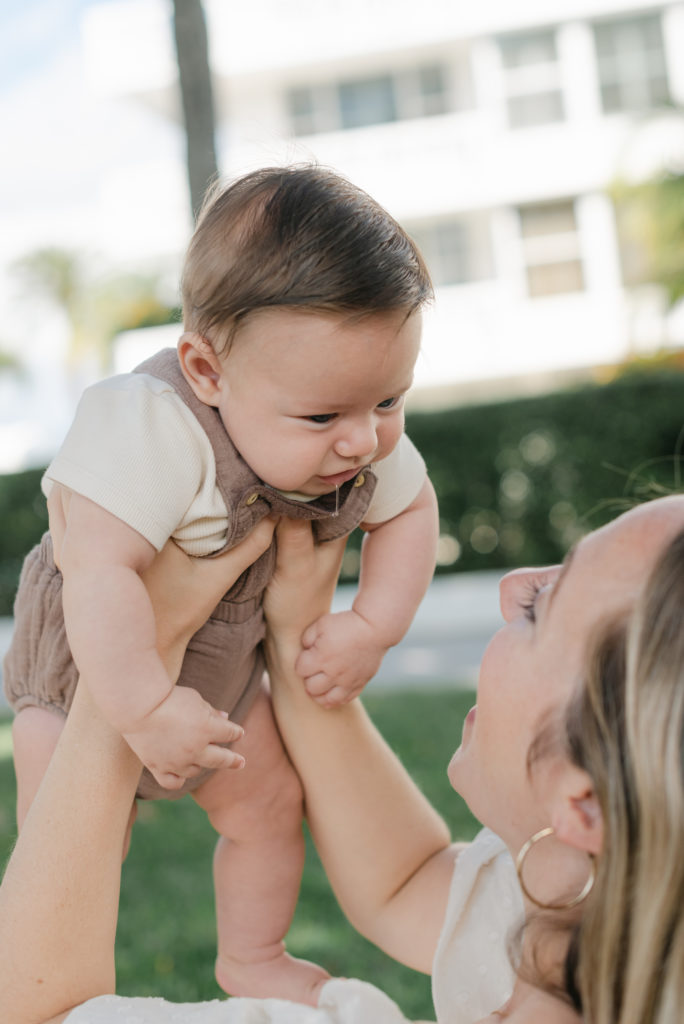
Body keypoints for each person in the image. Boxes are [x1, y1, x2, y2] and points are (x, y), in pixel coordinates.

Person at [2, 165, 439, 1004]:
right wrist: (141, 708)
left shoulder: (359, 430)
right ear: (206, 370)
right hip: (82, 676)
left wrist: (372, 625)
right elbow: (99, 574)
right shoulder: (147, 423)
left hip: (227, 684)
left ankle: (251, 955)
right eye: (324, 417)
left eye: (391, 400)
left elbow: (411, 508)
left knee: (272, 805)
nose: (363, 440)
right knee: (72, 832)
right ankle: (49, 981)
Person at [2, 495, 683, 1024]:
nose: (512, 586)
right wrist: (298, 631)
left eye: (541, 606)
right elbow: (405, 882)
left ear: (585, 804)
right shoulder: (602, 932)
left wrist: (123, 679)